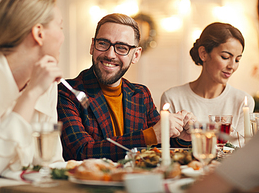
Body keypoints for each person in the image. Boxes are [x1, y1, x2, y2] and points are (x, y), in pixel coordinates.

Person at [57, 13, 195, 161]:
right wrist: (150, 135)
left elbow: (158, 146)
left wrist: (181, 138)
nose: (110, 54)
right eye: (103, 43)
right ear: (92, 46)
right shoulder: (67, 92)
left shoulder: (141, 94)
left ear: (135, 55)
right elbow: (80, 152)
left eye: (121, 47)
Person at [0, 0, 64, 178]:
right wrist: (31, 93)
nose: (63, 38)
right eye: (60, 27)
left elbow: (51, 164)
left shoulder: (47, 84)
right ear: (39, 33)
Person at [160, 22, 254, 146]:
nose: (232, 66)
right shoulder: (173, 98)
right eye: (225, 57)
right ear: (203, 53)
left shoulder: (243, 101)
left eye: (237, 60)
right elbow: (169, 152)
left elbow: (241, 154)